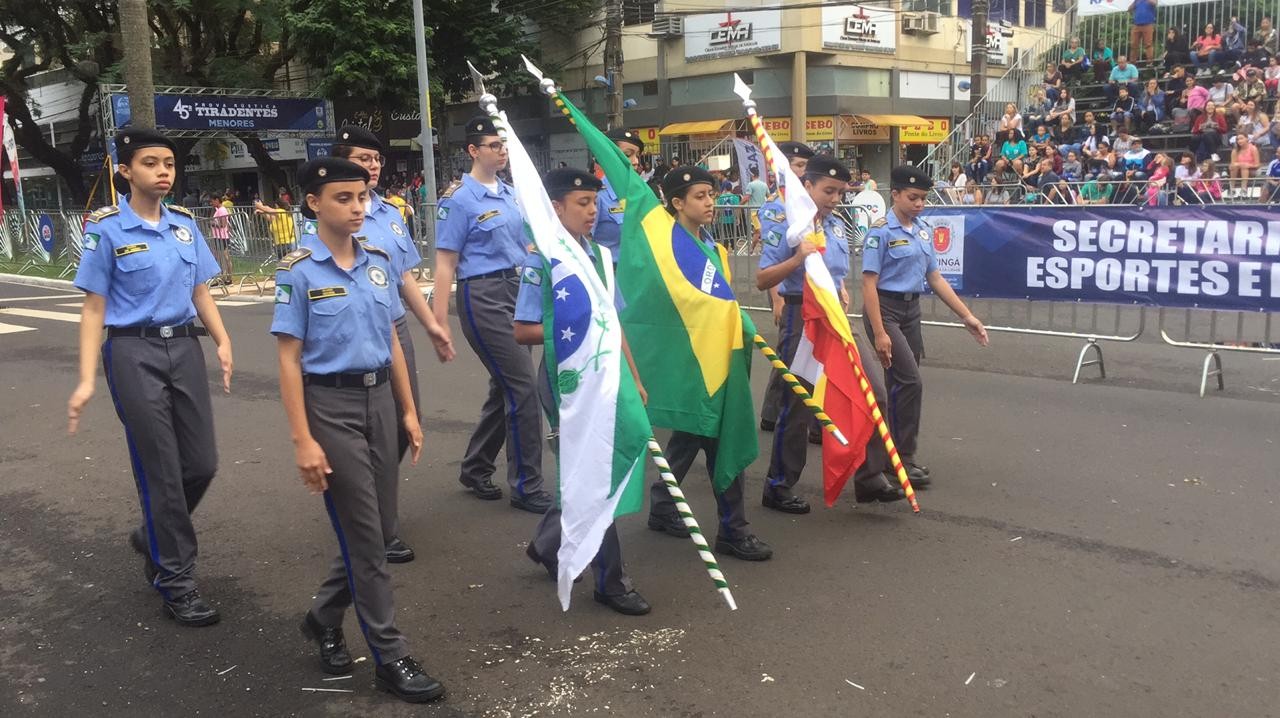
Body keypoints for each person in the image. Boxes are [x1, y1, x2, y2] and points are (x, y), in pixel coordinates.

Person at [272, 157, 443, 703]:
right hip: (330, 405)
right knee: (367, 538)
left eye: (362, 197)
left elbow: (392, 339)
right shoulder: (298, 272)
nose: (356, 208)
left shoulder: (377, 263)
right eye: (342, 198)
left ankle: (323, 615)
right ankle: (390, 655)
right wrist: (303, 440)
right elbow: (288, 360)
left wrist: (409, 411)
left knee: (380, 526)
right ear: (313, 204)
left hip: (379, 403)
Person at [68, 128, 234, 627]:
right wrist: (84, 378)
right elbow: (94, 307)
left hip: (184, 346)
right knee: (160, 468)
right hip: (131, 350)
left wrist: (222, 340)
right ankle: (176, 581)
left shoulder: (185, 226)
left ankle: (152, 534)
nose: (163, 171)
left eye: (169, 163)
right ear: (126, 172)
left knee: (202, 463)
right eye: (151, 163)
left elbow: (201, 289)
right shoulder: (107, 230)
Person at [310, 126, 456, 561]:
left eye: (374, 160)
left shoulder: (391, 215)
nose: (370, 167)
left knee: (401, 425)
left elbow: (405, 275)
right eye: (361, 159)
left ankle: (368, 497)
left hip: (394, 329)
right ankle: (380, 526)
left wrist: (430, 324)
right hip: (348, 333)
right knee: (366, 430)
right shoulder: (321, 220)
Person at [515, 168, 652, 616]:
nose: (592, 212)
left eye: (595, 203)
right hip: (567, 379)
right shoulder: (544, 261)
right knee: (595, 469)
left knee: (592, 467)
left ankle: (548, 543)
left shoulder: (600, 255)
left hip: (608, 375)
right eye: (582, 204)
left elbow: (613, 324)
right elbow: (523, 330)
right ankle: (610, 581)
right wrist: (575, 334)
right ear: (556, 208)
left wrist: (634, 376)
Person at [755, 154, 905, 514]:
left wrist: (838, 286)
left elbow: (832, 269)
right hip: (800, 316)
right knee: (798, 403)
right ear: (807, 187)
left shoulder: (836, 225)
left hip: (836, 317)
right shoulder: (787, 223)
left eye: (840, 192)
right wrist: (796, 258)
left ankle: (869, 477)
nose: (835, 198)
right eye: (828, 191)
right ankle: (778, 484)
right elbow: (763, 278)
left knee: (873, 390)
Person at [645, 166, 773, 562]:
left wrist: (739, 320)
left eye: (711, 195)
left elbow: (722, 302)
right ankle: (733, 529)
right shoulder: (666, 250)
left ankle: (665, 506)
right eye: (699, 196)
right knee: (722, 436)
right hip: (692, 360)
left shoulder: (713, 249)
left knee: (694, 433)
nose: (709, 203)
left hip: (717, 354)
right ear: (677, 202)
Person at [434, 116, 552, 512]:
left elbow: (530, 244)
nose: (502, 151)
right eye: (493, 145)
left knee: (505, 387)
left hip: (519, 292)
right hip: (482, 295)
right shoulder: (458, 199)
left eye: (504, 146)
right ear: (473, 151)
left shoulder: (510, 193)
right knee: (523, 388)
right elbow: (446, 262)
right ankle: (526, 484)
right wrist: (437, 323)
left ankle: (475, 466)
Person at [861, 166, 989, 487]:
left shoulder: (922, 230)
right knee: (911, 382)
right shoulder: (880, 232)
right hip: (885, 309)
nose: (919, 204)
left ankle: (890, 458)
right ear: (896, 195)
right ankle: (902, 457)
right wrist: (879, 332)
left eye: (923, 198)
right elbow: (868, 285)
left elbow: (935, 277)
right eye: (913, 197)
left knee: (899, 386)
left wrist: (967, 316)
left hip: (910, 310)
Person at [758, 141, 817, 433]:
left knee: (800, 353)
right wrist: (777, 299)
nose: (804, 172)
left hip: (810, 291)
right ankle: (773, 413)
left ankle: (794, 414)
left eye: (806, 167)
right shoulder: (775, 208)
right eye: (799, 165)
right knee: (788, 354)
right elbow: (771, 259)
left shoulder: (805, 204)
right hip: (784, 287)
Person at [592, 127, 646, 264]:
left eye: (637, 155)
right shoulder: (597, 196)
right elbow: (584, 244)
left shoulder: (642, 194)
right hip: (612, 277)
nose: (635, 162)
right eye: (628, 155)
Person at [1228, 132, 1261, 197]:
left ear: (1246, 139)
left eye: (1241, 138)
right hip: (1238, 170)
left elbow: (1257, 165)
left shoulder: (1253, 148)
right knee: (1235, 167)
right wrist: (1237, 165)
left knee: (1244, 167)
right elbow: (1232, 164)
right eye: (1238, 139)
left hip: (1252, 170)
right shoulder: (1235, 150)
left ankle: (1244, 189)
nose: (1239, 141)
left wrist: (1248, 165)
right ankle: (1232, 188)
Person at [209, 195, 232, 285]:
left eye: (212, 201)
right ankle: (223, 277)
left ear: (217, 200)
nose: (211, 203)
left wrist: (212, 223)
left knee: (224, 258)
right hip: (220, 236)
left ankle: (226, 277)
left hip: (221, 237)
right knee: (221, 257)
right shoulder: (218, 210)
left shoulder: (222, 210)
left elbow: (223, 224)